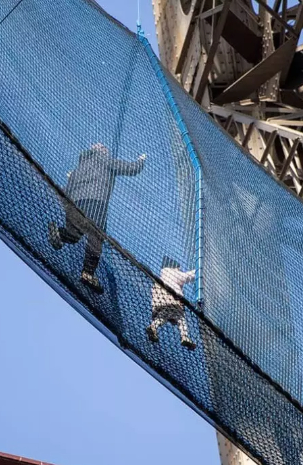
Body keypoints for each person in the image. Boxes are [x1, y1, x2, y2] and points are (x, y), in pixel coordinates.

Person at [49, 143, 146, 293]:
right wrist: (140, 161)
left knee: (75, 235)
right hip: (95, 202)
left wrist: (67, 206)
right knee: (96, 236)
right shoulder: (104, 159)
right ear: (99, 151)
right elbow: (130, 169)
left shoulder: (77, 169)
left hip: (73, 203)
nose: (106, 150)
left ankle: (61, 234)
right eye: (104, 148)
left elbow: (65, 191)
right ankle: (88, 273)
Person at [147, 256, 197, 350]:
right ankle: (184, 336)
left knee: (165, 315)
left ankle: (154, 326)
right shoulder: (172, 272)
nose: (179, 270)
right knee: (180, 318)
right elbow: (186, 277)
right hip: (171, 299)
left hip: (160, 300)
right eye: (179, 268)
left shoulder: (162, 276)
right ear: (174, 267)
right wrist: (197, 271)